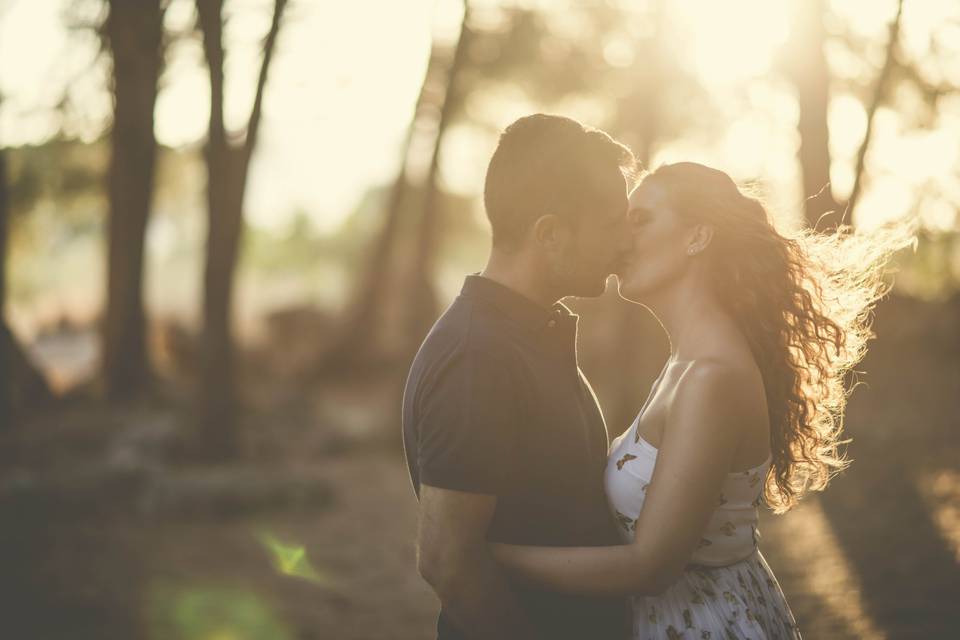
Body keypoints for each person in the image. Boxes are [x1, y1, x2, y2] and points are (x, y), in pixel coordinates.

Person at [491, 162, 908, 639]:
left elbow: (649, 566)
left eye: (641, 219)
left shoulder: (711, 377)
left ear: (697, 236)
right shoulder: (688, 363)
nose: (620, 241)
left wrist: (491, 556)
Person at [401, 113, 637, 639]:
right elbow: (446, 562)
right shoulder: (477, 357)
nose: (625, 242)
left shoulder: (525, 334)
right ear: (550, 234)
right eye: (611, 223)